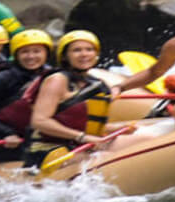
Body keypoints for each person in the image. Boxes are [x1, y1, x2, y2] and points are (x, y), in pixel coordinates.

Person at [26, 30, 131, 166]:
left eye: (89, 49)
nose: (84, 54)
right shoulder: (57, 80)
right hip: (50, 149)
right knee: (107, 158)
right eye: (76, 50)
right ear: (64, 56)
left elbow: (82, 123)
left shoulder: (95, 83)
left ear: (96, 54)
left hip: (81, 144)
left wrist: (116, 128)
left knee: (147, 139)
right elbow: (39, 121)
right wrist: (81, 137)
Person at [0, 29, 57, 163]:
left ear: (46, 54)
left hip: (36, 138)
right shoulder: (3, 77)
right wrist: (6, 133)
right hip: (3, 139)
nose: (31, 56)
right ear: (16, 55)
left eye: (37, 51)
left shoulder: (53, 76)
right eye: (25, 52)